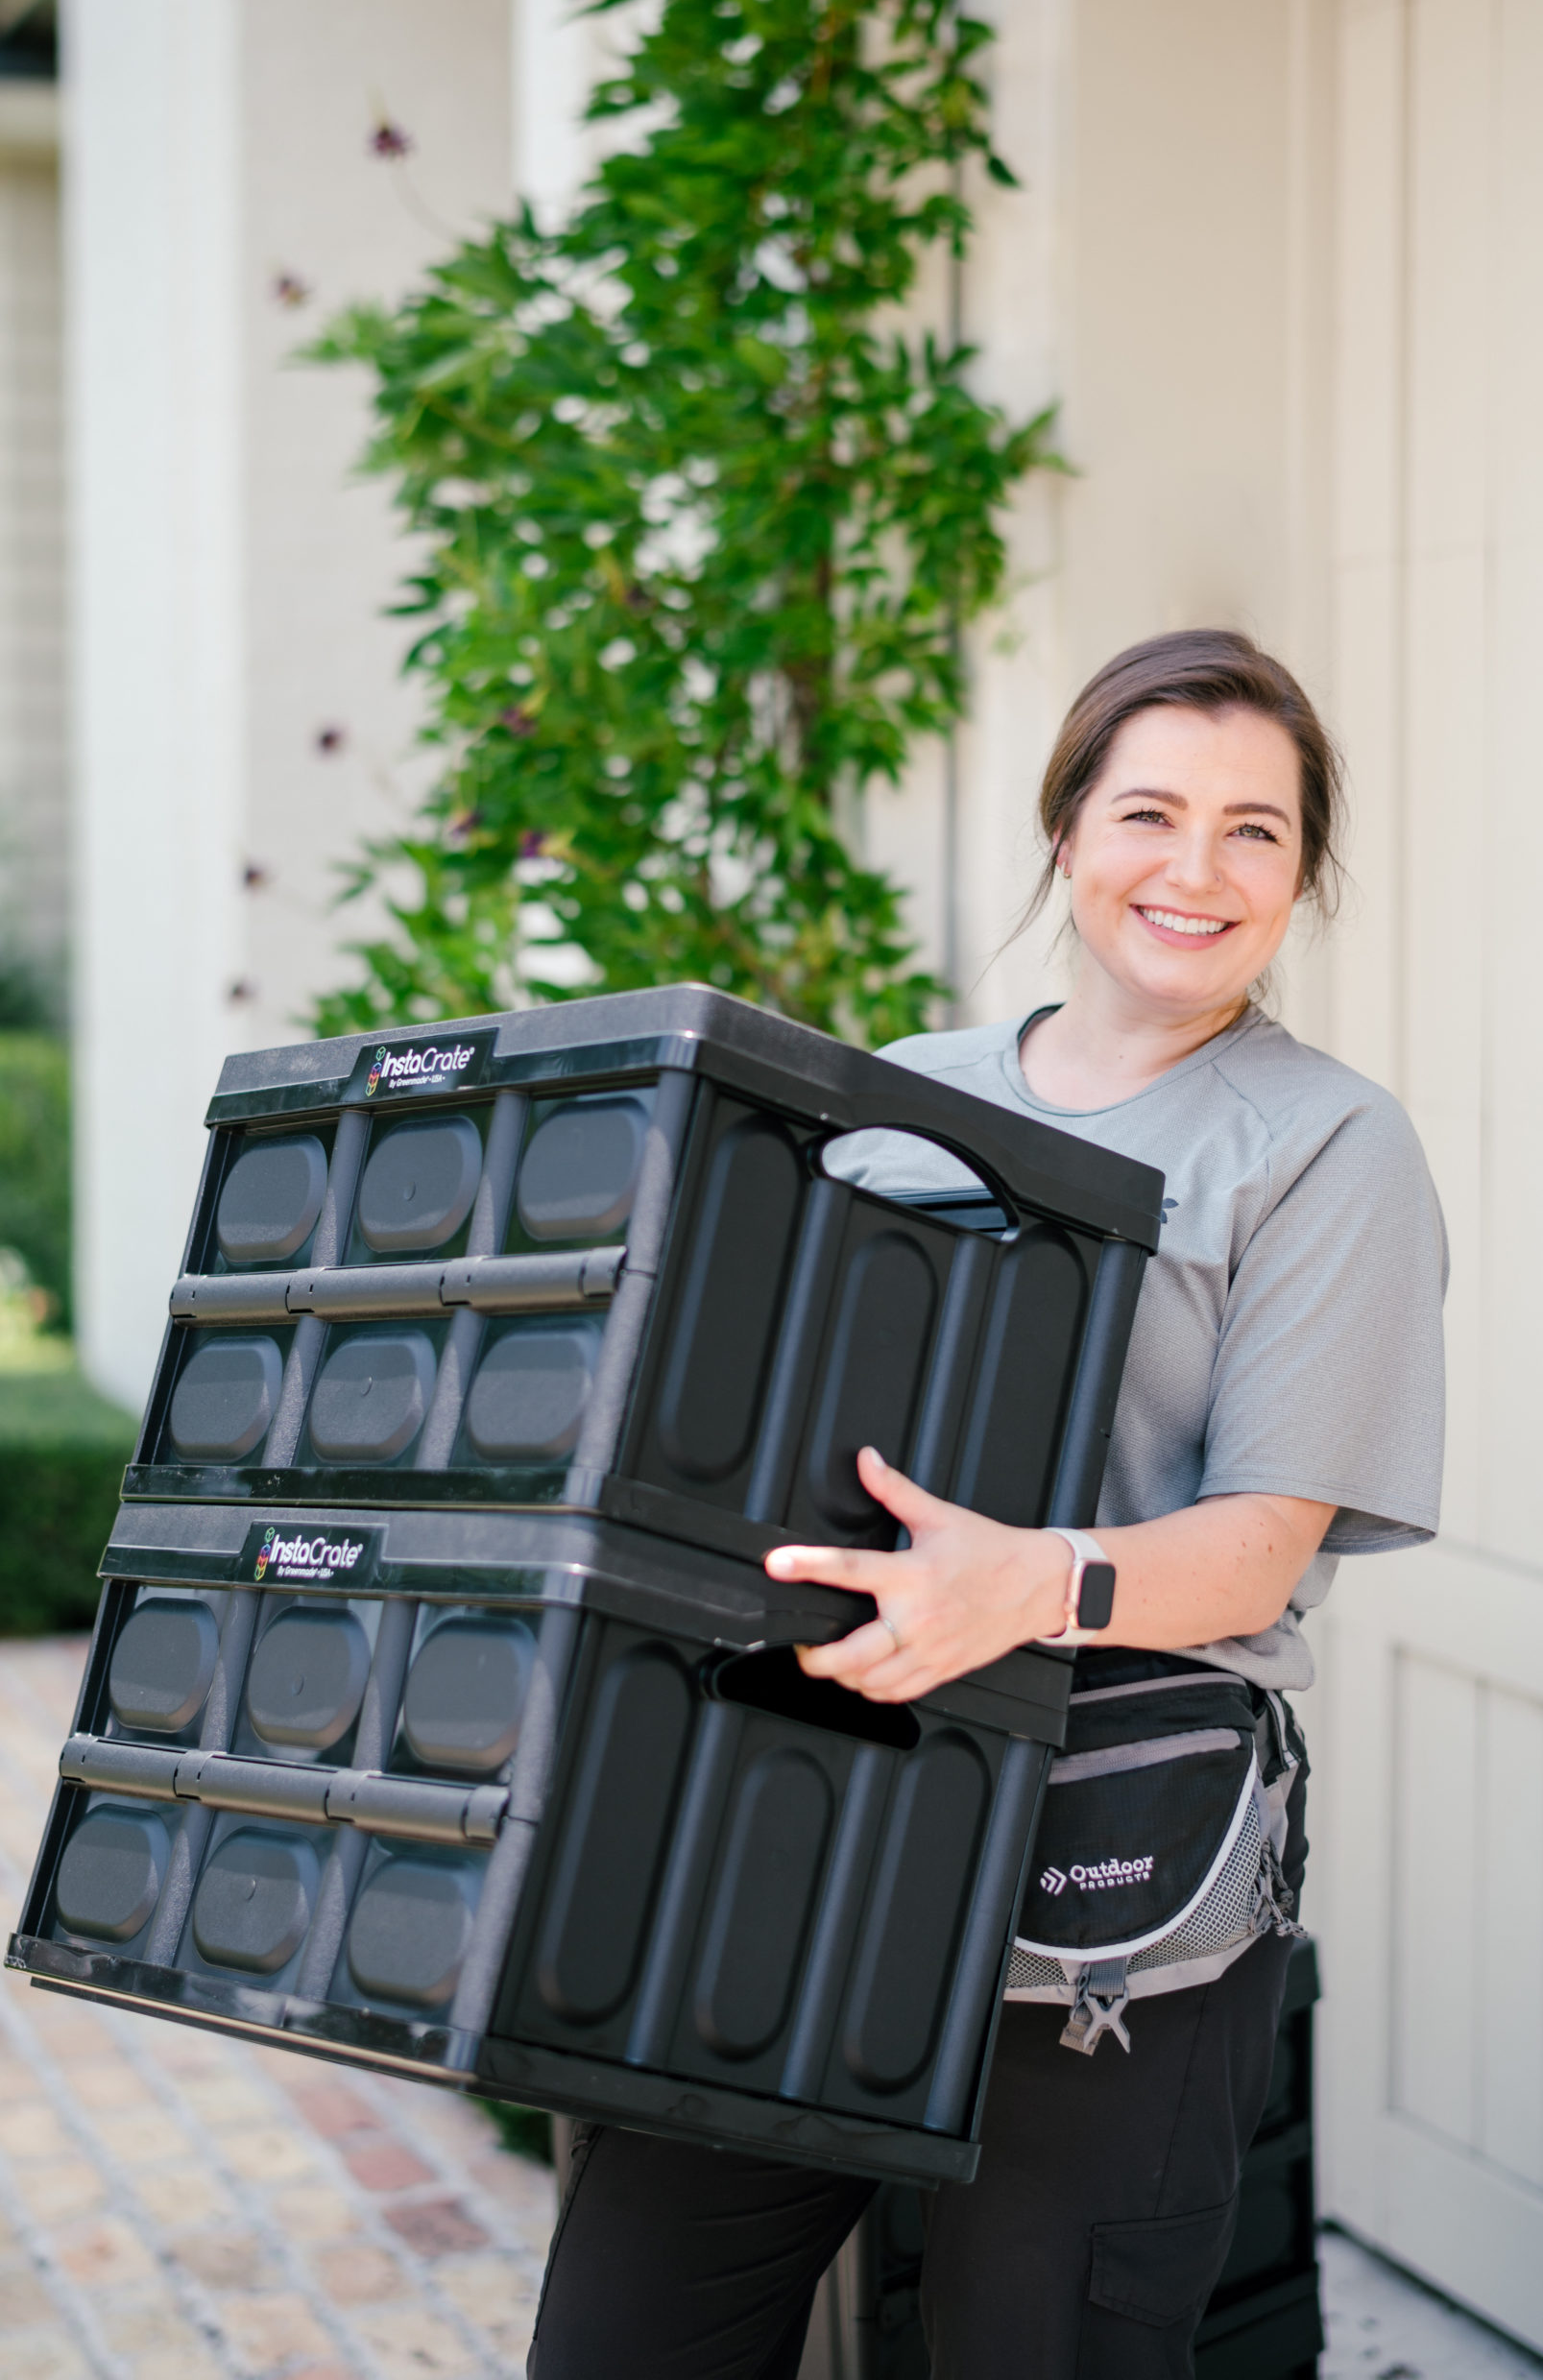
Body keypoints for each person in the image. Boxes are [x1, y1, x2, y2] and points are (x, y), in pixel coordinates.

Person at [527, 629, 1448, 2379]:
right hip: (813, 1820)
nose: (1196, 870)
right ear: (1064, 835)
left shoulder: (1328, 1145)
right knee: (628, 2333)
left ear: (1303, 875)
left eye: (1257, 831)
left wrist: (1030, 1588)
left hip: (1118, 1854)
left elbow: (1265, 1542)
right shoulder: (900, 1098)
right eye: (1149, 812)